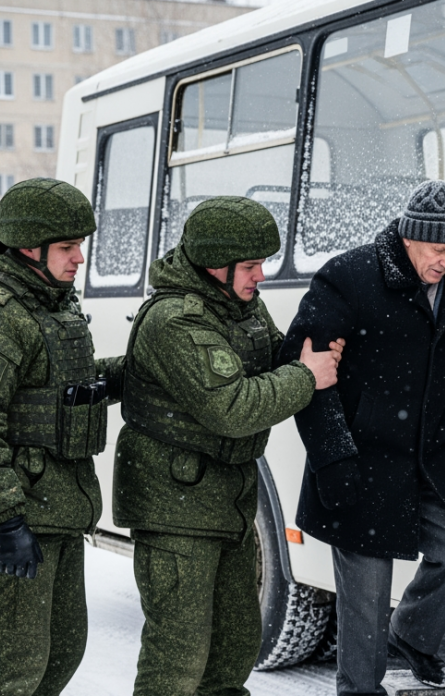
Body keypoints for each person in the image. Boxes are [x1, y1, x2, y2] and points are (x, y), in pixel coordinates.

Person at [280, 181, 445, 695]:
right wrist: (332, 457)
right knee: (366, 597)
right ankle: (360, 689)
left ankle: (412, 631)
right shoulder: (349, 278)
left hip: (426, 451)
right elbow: (305, 375)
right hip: (359, 454)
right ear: (409, 237)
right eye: (437, 249)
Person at [113, 196, 342, 696]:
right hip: (175, 510)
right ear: (215, 265)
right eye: (251, 266)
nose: (260, 275)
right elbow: (233, 406)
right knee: (178, 659)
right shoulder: (175, 320)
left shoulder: (237, 305)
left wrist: (315, 353)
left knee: (234, 646)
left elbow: (269, 357)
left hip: (227, 504)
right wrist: (305, 376)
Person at [0, 178, 124, 696]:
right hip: (17, 517)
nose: (80, 258)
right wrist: (4, 520)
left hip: (58, 509)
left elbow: (61, 392)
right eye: (68, 247)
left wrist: (133, 372)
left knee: (61, 653)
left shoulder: (50, 303)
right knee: (11, 669)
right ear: (30, 248)